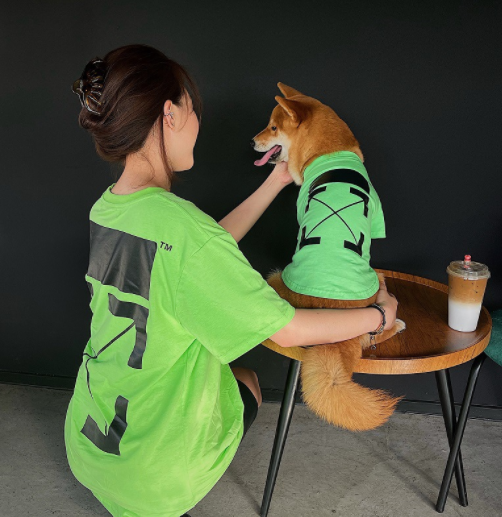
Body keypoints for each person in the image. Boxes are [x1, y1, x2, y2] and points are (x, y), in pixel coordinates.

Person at [64, 44, 398, 517]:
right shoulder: (187, 233)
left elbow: (198, 250)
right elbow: (288, 329)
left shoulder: (108, 208)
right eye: (192, 108)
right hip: (154, 484)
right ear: (169, 114)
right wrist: (379, 315)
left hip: (88, 446)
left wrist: (276, 181)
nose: (197, 121)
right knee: (248, 382)